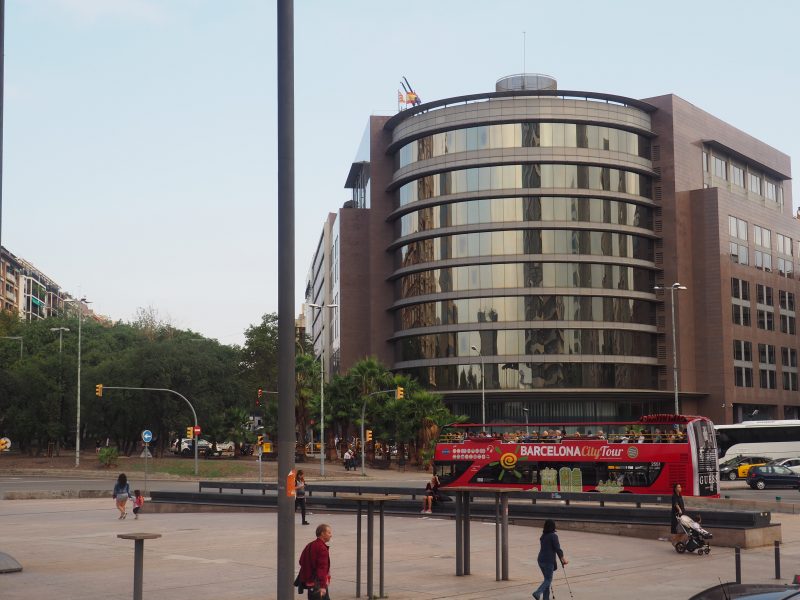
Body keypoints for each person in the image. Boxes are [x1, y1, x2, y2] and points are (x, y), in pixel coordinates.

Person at [532, 519, 568, 600]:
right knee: (548, 580)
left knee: (546, 581)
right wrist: (563, 559)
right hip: (548, 561)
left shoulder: (543, 536)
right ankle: (537, 593)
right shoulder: (553, 536)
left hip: (541, 560)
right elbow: (558, 549)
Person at [297, 524, 332, 600]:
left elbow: (301, 561)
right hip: (318, 584)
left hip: (310, 582)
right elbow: (322, 568)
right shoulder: (322, 548)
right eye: (329, 532)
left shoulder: (310, 545)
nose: (331, 535)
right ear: (322, 533)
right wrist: (322, 586)